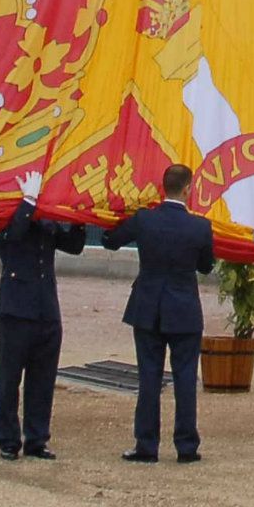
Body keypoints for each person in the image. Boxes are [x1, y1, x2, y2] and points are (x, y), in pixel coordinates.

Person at [103, 161, 215, 465]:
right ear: (188, 189)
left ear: (162, 187)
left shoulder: (145, 220)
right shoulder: (200, 226)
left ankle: (147, 444)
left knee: (149, 378)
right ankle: (186, 446)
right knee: (185, 379)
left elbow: (110, 241)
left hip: (148, 306)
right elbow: (206, 266)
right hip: (184, 308)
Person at [0, 168, 87, 461]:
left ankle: (37, 438)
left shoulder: (45, 220)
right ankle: (8, 440)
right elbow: (13, 235)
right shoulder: (8, 217)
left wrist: (81, 218)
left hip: (46, 308)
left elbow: (74, 246)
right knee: (10, 379)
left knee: (43, 378)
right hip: (16, 309)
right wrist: (28, 201)